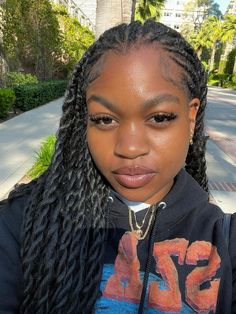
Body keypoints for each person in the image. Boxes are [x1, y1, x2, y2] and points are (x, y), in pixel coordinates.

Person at [0, 19, 235, 314]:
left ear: (190, 119)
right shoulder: (22, 224)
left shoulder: (226, 241)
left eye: (160, 118)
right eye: (104, 119)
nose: (129, 148)